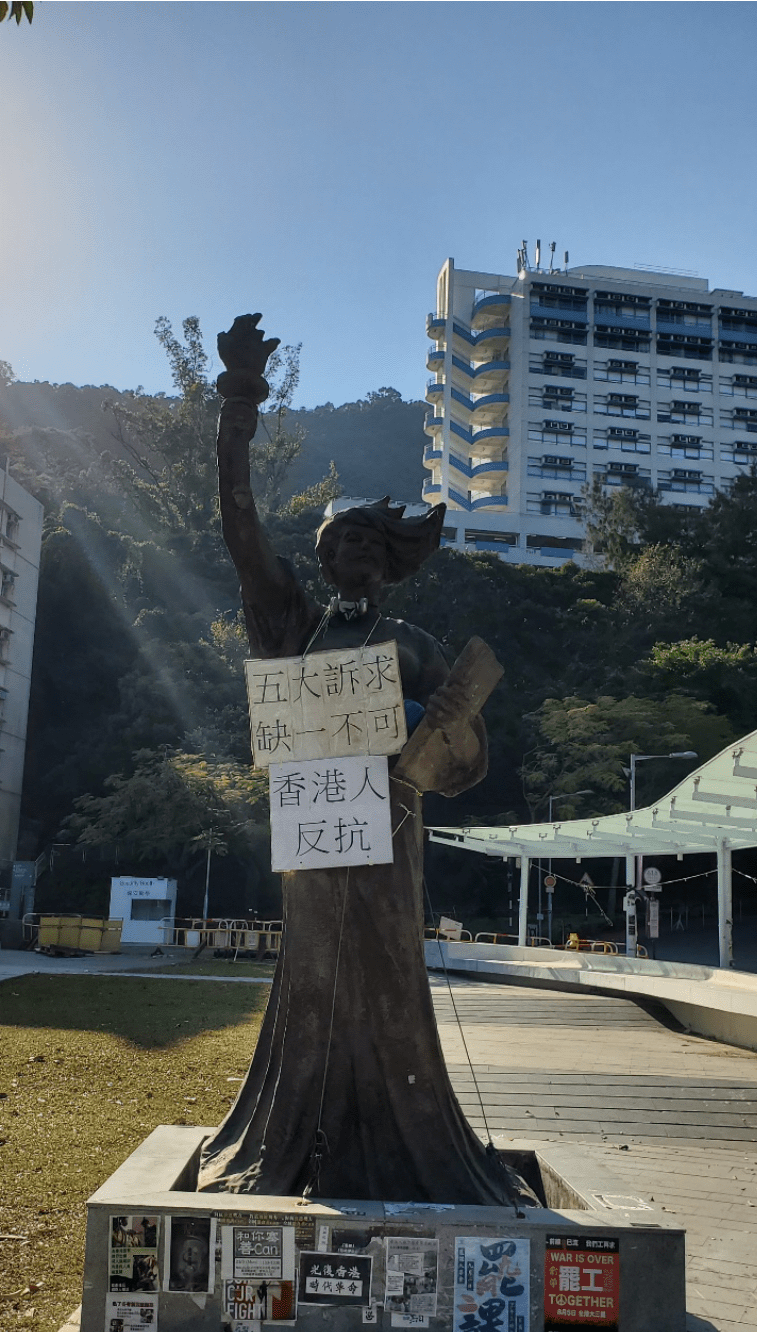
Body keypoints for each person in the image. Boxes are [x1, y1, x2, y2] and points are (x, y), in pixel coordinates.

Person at [197, 314, 532, 1206]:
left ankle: (402, 1128)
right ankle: (294, 1130)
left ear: (387, 562)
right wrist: (238, 405)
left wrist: (429, 719)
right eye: (336, 543)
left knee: (387, 959)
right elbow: (238, 529)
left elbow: (463, 758)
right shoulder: (293, 625)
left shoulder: (413, 640)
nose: (348, 553)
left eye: (364, 544)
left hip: (387, 829)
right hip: (312, 819)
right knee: (311, 963)